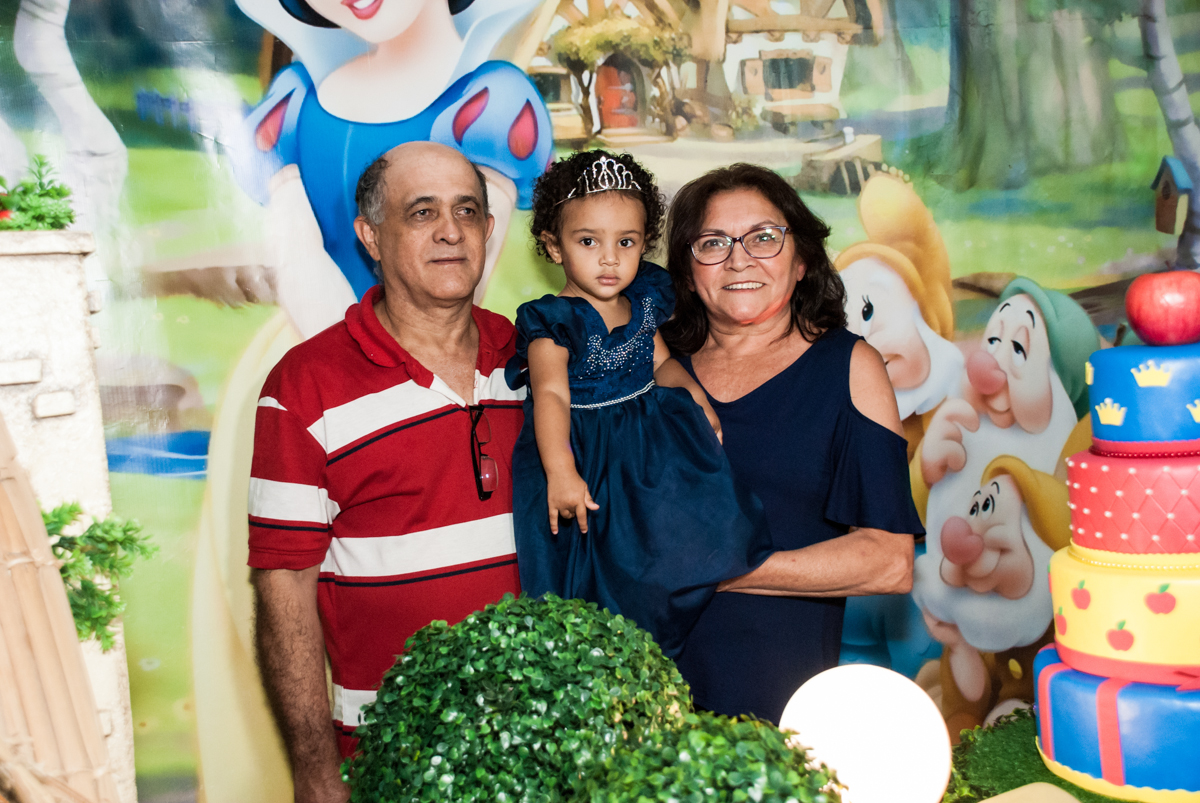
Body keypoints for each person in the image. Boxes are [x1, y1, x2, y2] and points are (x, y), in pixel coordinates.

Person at [247, 142, 523, 802]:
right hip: (390, 757)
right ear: (371, 235)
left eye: (467, 211)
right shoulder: (303, 385)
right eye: (422, 212)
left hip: (536, 743)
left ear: (489, 229)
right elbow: (283, 590)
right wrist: (315, 771)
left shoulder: (531, 360)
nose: (451, 231)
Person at [659, 163, 924, 723]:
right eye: (712, 242)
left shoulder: (849, 367)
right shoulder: (655, 374)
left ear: (801, 260)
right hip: (644, 691)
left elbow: (888, 561)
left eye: (763, 237)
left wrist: (720, 570)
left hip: (779, 704)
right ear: (686, 269)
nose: (739, 258)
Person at [506, 151, 773, 658]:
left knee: (673, 537)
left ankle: (665, 629)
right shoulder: (553, 322)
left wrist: (696, 399)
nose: (610, 259)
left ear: (643, 243)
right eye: (588, 241)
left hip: (646, 446)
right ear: (553, 246)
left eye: (626, 242)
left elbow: (662, 363)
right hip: (580, 449)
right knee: (593, 568)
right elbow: (550, 395)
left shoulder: (644, 301)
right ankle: (599, 653)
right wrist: (561, 470)